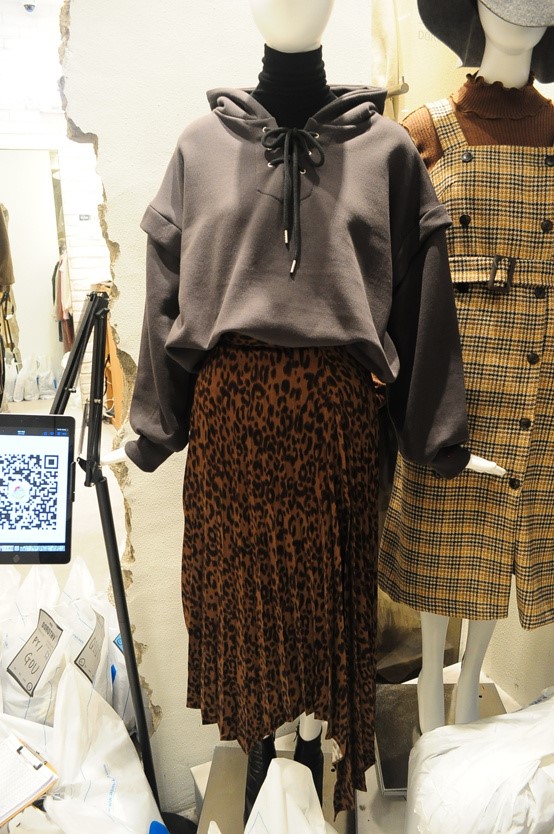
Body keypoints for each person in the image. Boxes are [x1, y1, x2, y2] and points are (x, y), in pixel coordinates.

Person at [108, 0, 494, 819]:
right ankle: (263, 772)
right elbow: (164, 300)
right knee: (248, 624)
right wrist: (149, 433)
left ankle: (316, 774)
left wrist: (439, 436)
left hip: (337, 428)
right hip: (232, 427)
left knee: (326, 629)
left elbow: (423, 306)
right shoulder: (199, 148)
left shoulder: (387, 151)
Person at [379, 0, 554, 734]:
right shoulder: (423, 133)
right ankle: (431, 695)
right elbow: (389, 285)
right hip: (446, 392)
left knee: (500, 558)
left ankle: (467, 694)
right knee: (438, 559)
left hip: (536, 395)